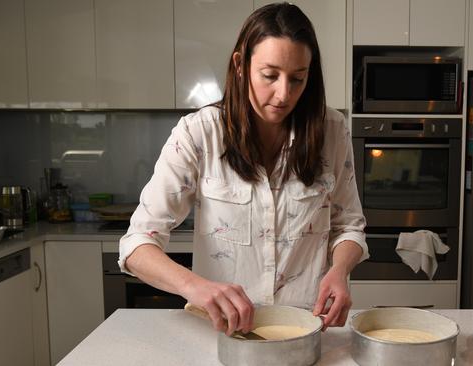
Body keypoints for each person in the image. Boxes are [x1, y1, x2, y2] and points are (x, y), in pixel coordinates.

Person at [118, 3, 369, 338]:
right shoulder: (198, 133)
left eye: (298, 78)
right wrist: (196, 287)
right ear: (240, 65)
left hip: (307, 331)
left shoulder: (332, 131)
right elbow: (136, 245)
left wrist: (340, 269)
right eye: (269, 75)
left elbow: (348, 225)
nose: (284, 94)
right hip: (222, 335)